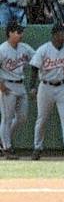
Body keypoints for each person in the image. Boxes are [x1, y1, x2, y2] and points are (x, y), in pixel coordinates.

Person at [30, 22, 64, 160]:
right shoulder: (44, 49)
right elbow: (34, 68)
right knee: (42, 119)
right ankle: (37, 147)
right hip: (45, 87)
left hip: (63, 87)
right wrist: (32, 87)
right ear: (55, 34)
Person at [0, 22, 33, 158]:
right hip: (7, 85)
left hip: (20, 84)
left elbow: (37, 58)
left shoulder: (24, 48)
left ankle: (3, 140)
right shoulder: (2, 49)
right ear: (10, 33)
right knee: (7, 118)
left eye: (21, 32)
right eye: (18, 32)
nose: (21, 34)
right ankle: (7, 148)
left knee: (22, 117)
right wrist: (0, 85)